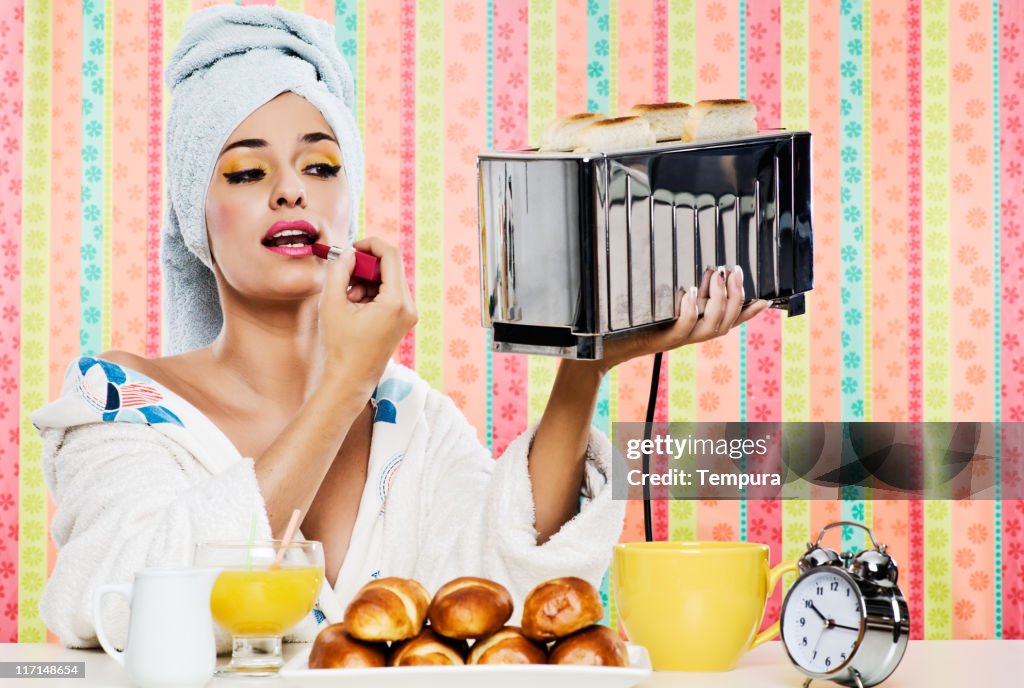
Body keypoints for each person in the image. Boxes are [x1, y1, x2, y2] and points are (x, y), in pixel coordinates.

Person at [31, 6, 771, 651]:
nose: (290, 190)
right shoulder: (120, 404)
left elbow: (503, 590)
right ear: (196, 214)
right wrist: (345, 381)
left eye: (320, 167)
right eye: (247, 173)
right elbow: (125, 604)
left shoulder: (408, 417)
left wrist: (588, 364)